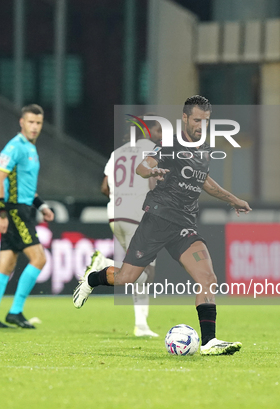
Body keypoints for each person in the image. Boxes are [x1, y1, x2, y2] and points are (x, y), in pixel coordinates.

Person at [74, 95, 252, 355]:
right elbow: (143, 167)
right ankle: (92, 278)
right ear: (184, 118)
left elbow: (206, 182)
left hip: (184, 225)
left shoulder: (203, 150)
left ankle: (209, 342)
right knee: (127, 277)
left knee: (208, 278)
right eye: (196, 120)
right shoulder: (170, 144)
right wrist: (152, 171)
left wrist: (234, 200)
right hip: (157, 220)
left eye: (205, 120)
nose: (201, 125)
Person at [0, 104, 54, 329]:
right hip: (14, 211)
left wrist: (41, 206)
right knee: (39, 258)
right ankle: (15, 311)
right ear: (21, 122)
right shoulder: (15, 147)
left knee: (6, 263)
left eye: (38, 123)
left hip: (23, 208)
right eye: (30, 122)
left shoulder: (30, 148)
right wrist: (1, 212)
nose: (34, 127)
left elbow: (25, 187)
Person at [97, 116, 162, 337]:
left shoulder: (117, 153)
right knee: (147, 272)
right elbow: (153, 182)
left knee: (137, 269)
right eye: (157, 129)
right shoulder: (151, 149)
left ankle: (141, 325)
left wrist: (120, 195)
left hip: (115, 215)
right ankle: (103, 263)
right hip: (139, 215)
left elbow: (104, 187)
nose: (160, 134)